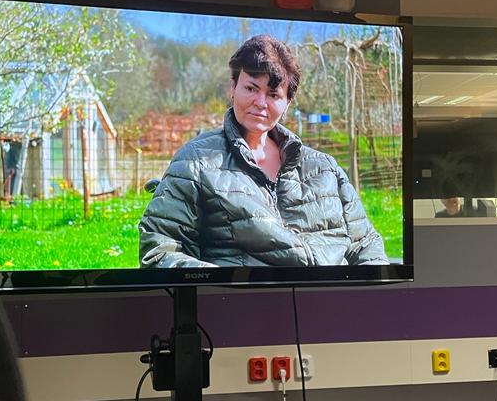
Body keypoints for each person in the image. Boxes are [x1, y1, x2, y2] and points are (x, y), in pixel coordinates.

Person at [138, 34, 388, 268]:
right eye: (251, 88)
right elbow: (159, 250)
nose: (260, 103)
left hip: (330, 295)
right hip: (243, 296)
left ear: (287, 102)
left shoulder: (325, 168)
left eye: (273, 94)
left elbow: (366, 245)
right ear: (233, 88)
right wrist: (224, 284)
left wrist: (364, 294)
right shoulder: (196, 161)